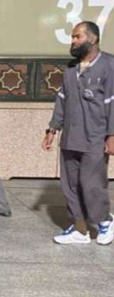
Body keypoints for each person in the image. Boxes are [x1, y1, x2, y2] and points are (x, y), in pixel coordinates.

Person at [42, 21, 114, 245]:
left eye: (77, 37)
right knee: (70, 184)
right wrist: (53, 128)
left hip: (95, 137)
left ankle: (105, 222)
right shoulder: (71, 69)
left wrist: (112, 135)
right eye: (73, 37)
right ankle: (80, 229)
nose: (73, 41)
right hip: (70, 137)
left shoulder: (109, 65)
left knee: (91, 183)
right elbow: (62, 99)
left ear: (93, 39)